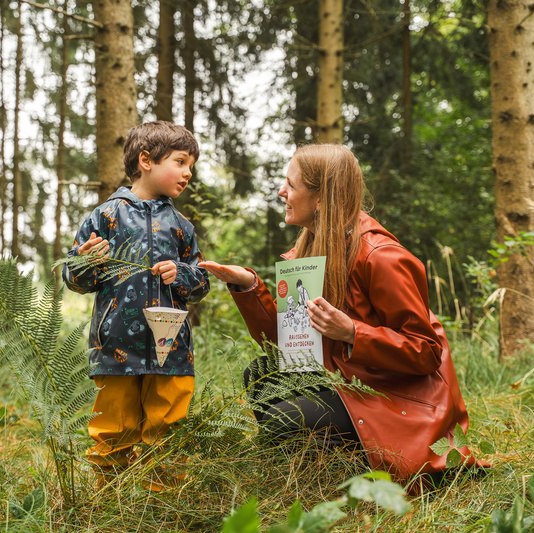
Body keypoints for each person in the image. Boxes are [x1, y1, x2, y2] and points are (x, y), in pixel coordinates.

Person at [199, 144, 483, 486]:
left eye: (291, 184)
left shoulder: (383, 257)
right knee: (260, 374)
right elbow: (288, 346)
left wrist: (352, 332)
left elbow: (426, 352)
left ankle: (365, 467)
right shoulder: (312, 250)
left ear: (320, 199)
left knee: (282, 419)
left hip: (400, 400)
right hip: (351, 380)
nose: (281, 191)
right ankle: (335, 459)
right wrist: (247, 286)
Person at [63, 121, 210, 486]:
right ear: (146, 160)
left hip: (172, 349)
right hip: (115, 346)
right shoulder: (104, 217)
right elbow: (74, 279)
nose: (188, 172)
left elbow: (201, 281)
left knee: (169, 429)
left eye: (191, 165)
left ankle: (161, 502)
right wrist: (87, 262)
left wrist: (183, 274)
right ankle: (108, 500)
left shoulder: (181, 226)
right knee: (112, 428)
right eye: (180, 162)